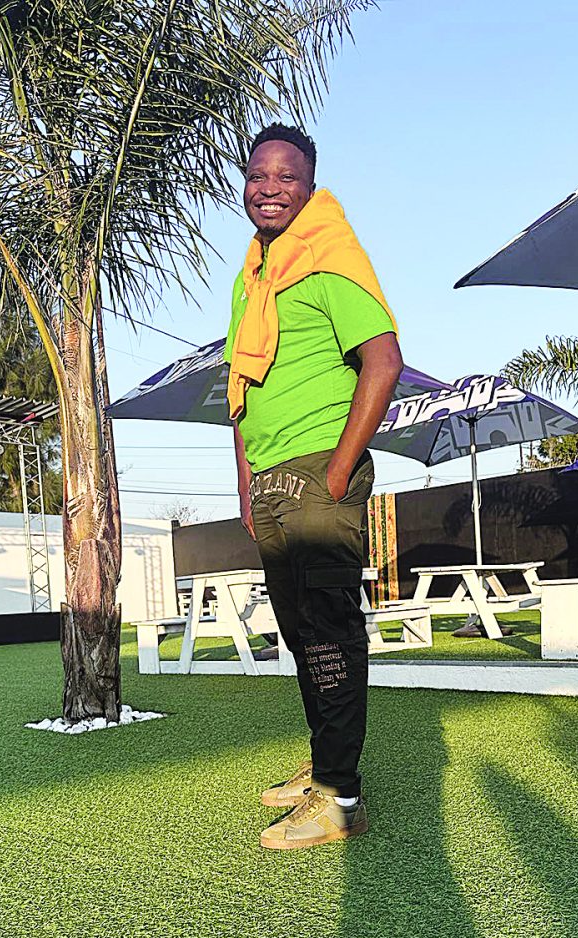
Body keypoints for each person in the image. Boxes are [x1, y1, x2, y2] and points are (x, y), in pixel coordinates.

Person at [225, 123, 403, 850]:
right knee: (300, 634)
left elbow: (383, 362)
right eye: (257, 175)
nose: (269, 187)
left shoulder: (329, 257)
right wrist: (246, 482)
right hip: (271, 479)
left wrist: (336, 471)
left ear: (310, 187)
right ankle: (325, 764)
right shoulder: (256, 276)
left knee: (329, 631)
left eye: (286, 176)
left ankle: (339, 798)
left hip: (317, 466)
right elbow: (242, 387)